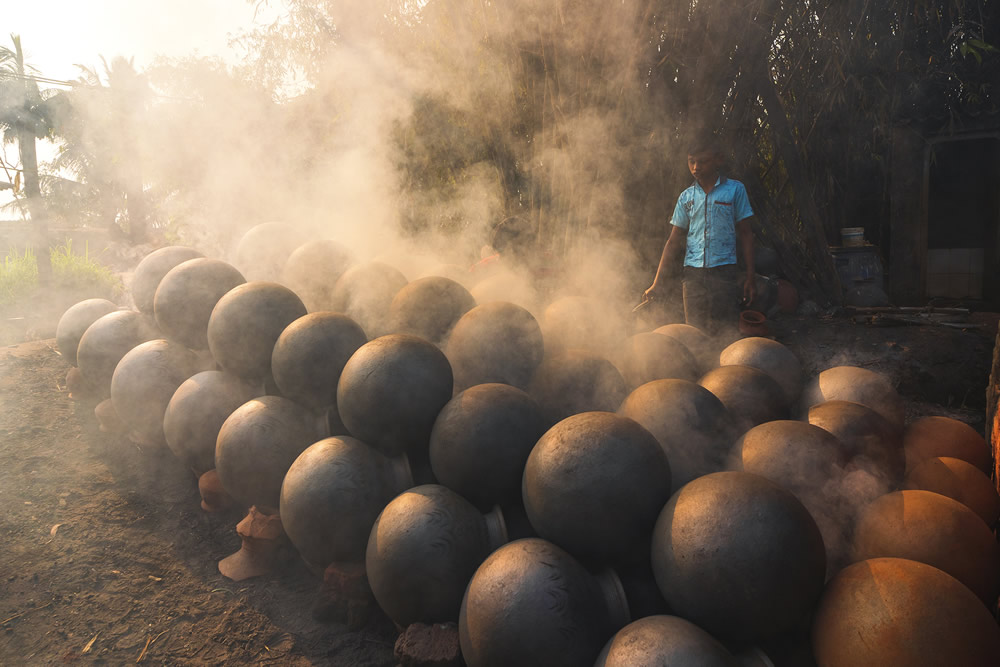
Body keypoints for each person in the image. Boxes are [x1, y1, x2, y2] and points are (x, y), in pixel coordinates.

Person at [644, 135, 756, 337]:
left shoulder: (735, 190)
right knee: (693, 333)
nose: (696, 167)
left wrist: (750, 276)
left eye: (702, 161)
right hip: (692, 274)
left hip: (724, 271)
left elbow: (747, 234)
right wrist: (657, 282)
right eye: (691, 161)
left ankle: (726, 367)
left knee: (726, 331)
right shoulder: (686, 197)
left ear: (718, 160)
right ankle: (699, 368)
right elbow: (673, 241)